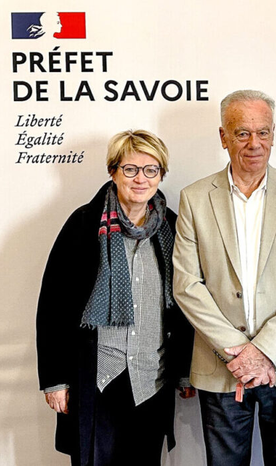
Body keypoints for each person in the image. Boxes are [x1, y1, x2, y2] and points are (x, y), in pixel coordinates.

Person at [173, 90, 276, 466]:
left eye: (263, 132)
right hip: (222, 368)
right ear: (223, 137)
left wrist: (265, 350)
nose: (254, 143)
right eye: (242, 133)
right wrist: (239, 353)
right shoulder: (194, 198)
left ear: (273, 134)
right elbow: (187, 284)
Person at [36, 129, 195, 465]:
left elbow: (184, 303)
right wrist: (55, 380)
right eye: (130, 169)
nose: (141, 179)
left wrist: (184, 369)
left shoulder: (172, 227)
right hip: (98, 378)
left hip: (152, 378)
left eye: (151, 169)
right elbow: (53, 306)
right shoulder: (83, 224)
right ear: (113, 171)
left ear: (161, 174)